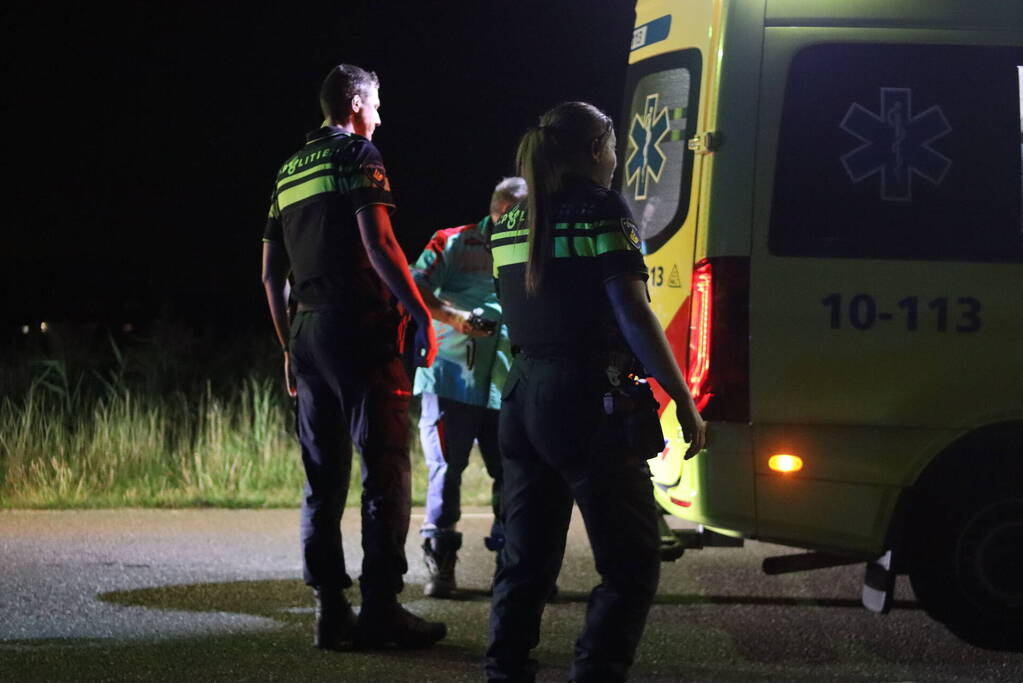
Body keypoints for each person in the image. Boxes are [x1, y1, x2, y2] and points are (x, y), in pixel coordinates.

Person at [485, 102, 707, 682]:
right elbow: (633, 311)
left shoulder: (509, 220)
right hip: (585, 399)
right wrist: (680, 397)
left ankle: (504, 672)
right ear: (594, 149)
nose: (617, 157)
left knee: (524, 563)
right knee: (632, 565)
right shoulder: (601, 209)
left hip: (521, 399)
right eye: (613, 144)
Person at [260, 63, 446, 651]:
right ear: (357, 102)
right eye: (378, 103)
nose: (381, 115)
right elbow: (379, 240)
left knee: (323, 476)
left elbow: (270, 274)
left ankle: (329, 610)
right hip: (358, 329)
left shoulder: (287, 171)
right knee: (384, 465)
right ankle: (382, 608)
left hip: (309, 331)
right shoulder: (359, 156)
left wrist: (289, 345)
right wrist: (417, 311)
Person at [410, 178, 526, 598]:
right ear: (498, 209)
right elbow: (412, 283)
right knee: (446, 470)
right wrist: (454, 316)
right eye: (514, 216)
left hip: (506, 384)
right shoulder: (453, 241)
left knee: (512, 473)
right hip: (450, 380)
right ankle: (439, 564)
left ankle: (511, 568)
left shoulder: (532, 248)